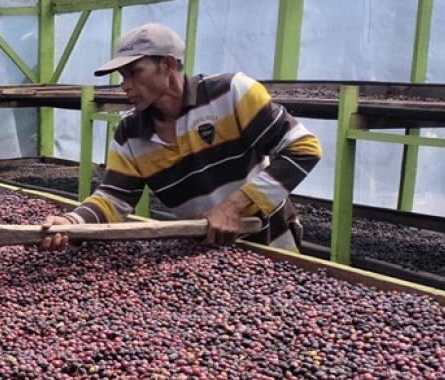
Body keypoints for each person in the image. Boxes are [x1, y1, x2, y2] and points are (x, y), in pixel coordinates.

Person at [39, 23, 321, 252]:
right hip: (203, 249)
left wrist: (233, 207)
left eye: (135, 73)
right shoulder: (130, 133)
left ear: (169, 65)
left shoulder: (231, 93)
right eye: (122, 76)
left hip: (269, 240)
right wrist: (71, 222)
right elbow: (114, 199)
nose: (125, 86)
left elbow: (304, 149)